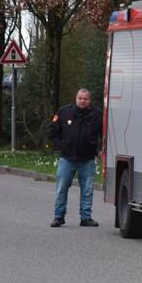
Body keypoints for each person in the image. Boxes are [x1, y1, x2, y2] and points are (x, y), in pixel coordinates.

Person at [49, 88, 103, 227]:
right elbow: (53, 132)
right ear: (76, 98)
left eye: (85, 99)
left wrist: (99, 150)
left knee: (87, 190)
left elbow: (104, 136)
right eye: (80, 98)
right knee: (61, 188)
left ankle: (86, 217)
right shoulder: (64, 112)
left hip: (87, 159)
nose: (82, 101)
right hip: (67, 158)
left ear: (89, 100)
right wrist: (62, 146)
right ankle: (59, 216)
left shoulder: (97, 115)